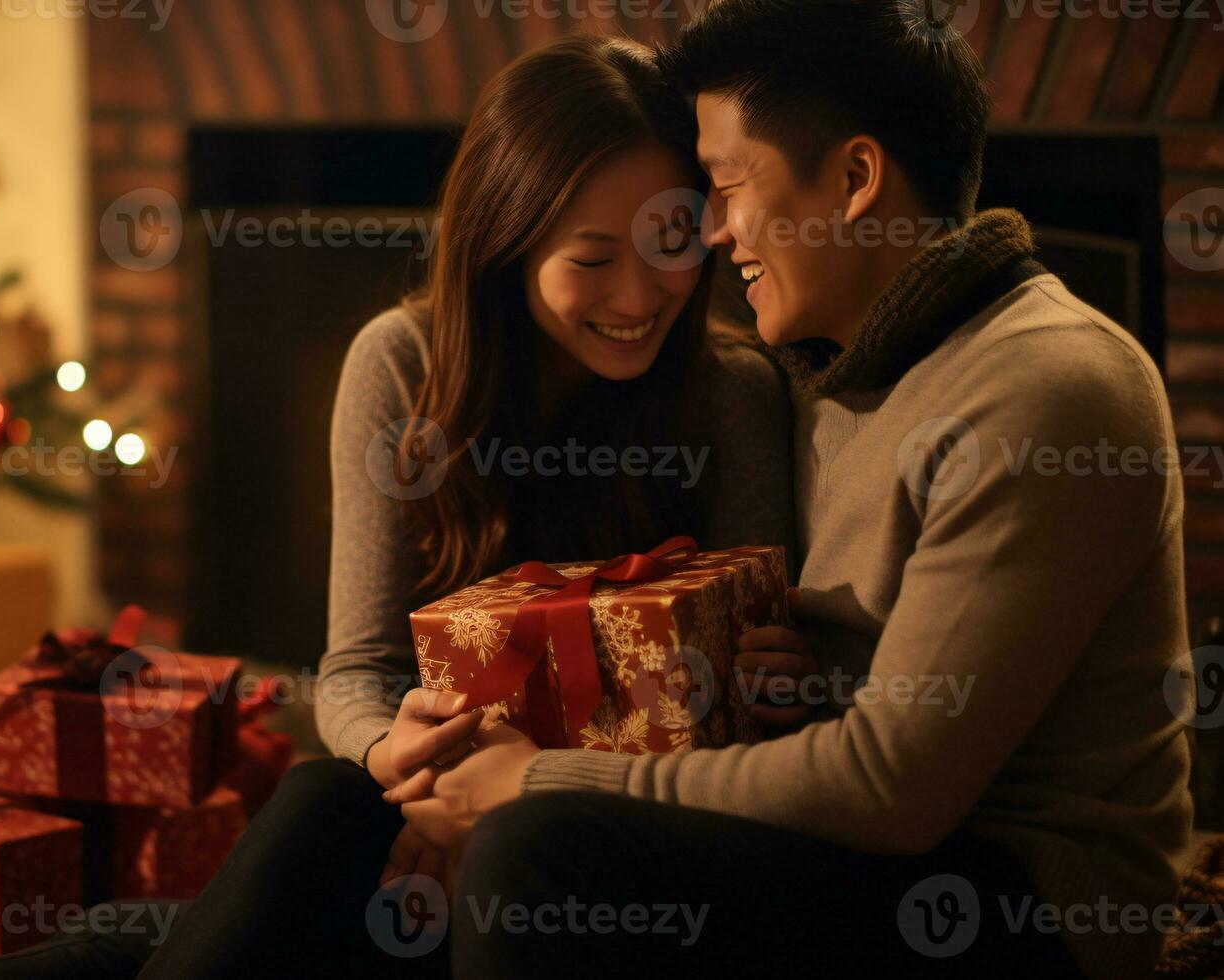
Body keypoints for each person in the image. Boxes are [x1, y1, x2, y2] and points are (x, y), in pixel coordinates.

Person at [0, 32, 800, 980]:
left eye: (672, 243)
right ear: (508, 240)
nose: (642, 295)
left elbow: (760, 698)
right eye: (591, 259)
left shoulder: (733, 394)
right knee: (303, 813)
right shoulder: (400, 365)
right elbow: (357, 672)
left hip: (611, 846)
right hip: (420, 818)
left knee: (278, 858)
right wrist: (411, 767)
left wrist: (771, 676)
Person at [389, 4, 1189, 979]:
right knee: (329, 810)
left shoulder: (1045, 385)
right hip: (877, 849)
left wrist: (538, 777)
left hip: (1023, 904)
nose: (714, 235)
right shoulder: (840, 370)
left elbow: (890, 784)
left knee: (540, 845)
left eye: (725, 186)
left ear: (855, 178)